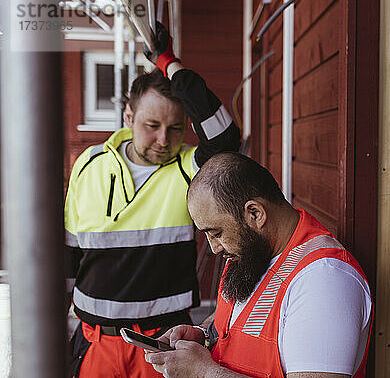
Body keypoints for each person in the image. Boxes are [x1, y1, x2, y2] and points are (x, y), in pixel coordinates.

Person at [64, 23, 240, 377]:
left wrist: (168, 62)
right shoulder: (89, 162)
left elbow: (224, 137)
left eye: (176, 127)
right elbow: (69, 253)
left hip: (163, 345)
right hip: (95, 341)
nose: (164, 139)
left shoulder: (188, 167)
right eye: (152, 124)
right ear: (129, 118)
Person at [145, 152, 373, 378]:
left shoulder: (324, 281)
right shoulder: (251, 251)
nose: (214, 248)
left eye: (216, 233)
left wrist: (203, 373)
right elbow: (231, 322)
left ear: (255, 213)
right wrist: (203, 335)